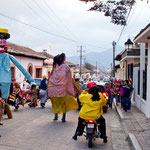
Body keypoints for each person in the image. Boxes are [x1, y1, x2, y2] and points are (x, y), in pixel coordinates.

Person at [47, 53, 78, 122]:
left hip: (53, 89)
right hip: (62, 89)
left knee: (56, 103)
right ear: (63, 58)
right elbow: (69, 78)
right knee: (63, 103)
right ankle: (63, 118)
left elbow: (51, 77)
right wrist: (73, 88)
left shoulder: (55, 67)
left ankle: (55, 116)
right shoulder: (66, 67)